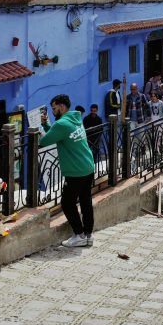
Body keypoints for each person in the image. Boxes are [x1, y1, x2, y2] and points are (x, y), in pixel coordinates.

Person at [39, 95, 96, 248]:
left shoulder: (61, 124)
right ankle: (88, 235)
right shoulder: (75, 119)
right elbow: (58, 132)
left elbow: (44, 141)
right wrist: (47, 126)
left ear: (62, 107)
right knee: (85, 201)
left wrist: (41, 131)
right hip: (88, 166)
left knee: (67, 203)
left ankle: (79, 234)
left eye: (54, 108)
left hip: (75, 171)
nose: (52, 111)